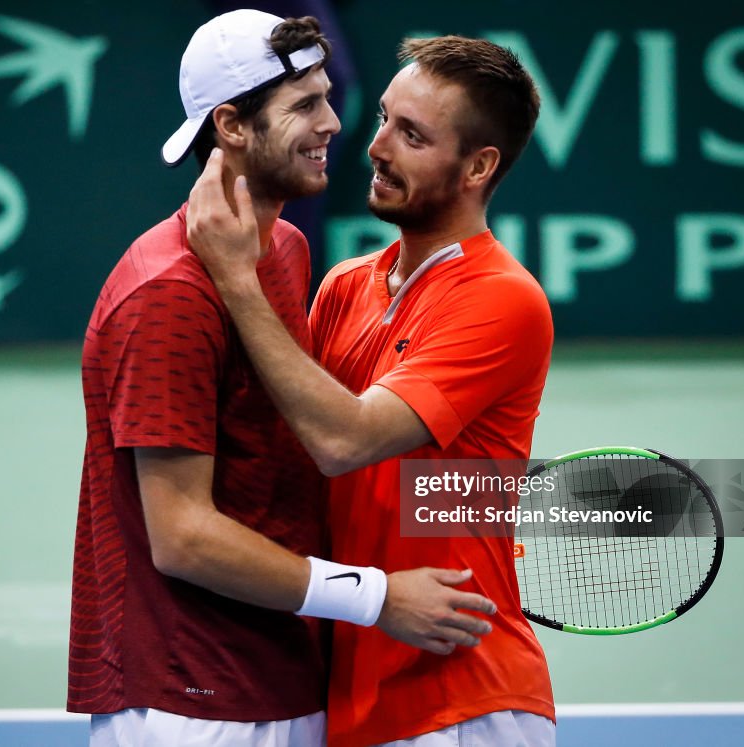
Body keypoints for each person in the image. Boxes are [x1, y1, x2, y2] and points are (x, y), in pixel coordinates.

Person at [68, 12, 498, 747]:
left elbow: (291, 459)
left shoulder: (286, 251)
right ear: (232, 125)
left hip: (283, 677)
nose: (336, 123)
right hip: (191, 701)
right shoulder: (169, 291)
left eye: (327, 96)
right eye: (303, 105)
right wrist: (377, 597)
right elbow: (183, 536)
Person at [187, 35, 556, 747]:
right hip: (353, 688)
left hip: (461, 694)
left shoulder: (502, 298)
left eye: (411, 135)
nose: (376, 146)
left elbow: (342, 440)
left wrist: (236, 277)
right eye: (384, 118)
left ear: (479, 166)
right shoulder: (345, 285)